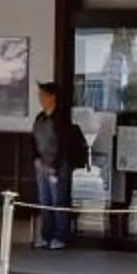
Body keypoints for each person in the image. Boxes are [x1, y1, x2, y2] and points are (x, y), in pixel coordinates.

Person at [30, 83, 87, 251]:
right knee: (44, 202)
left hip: (58, 167)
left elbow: (63, 146)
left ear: (52, 97)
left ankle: (60, 236)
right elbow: (33, 140)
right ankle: (46, 235)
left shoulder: (61, 119)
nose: (41, 99)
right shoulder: (40, 118)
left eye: (43, 95)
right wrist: (36, 159)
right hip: (42, 165)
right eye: (40, 96)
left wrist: (54, 165)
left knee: (58, 201)